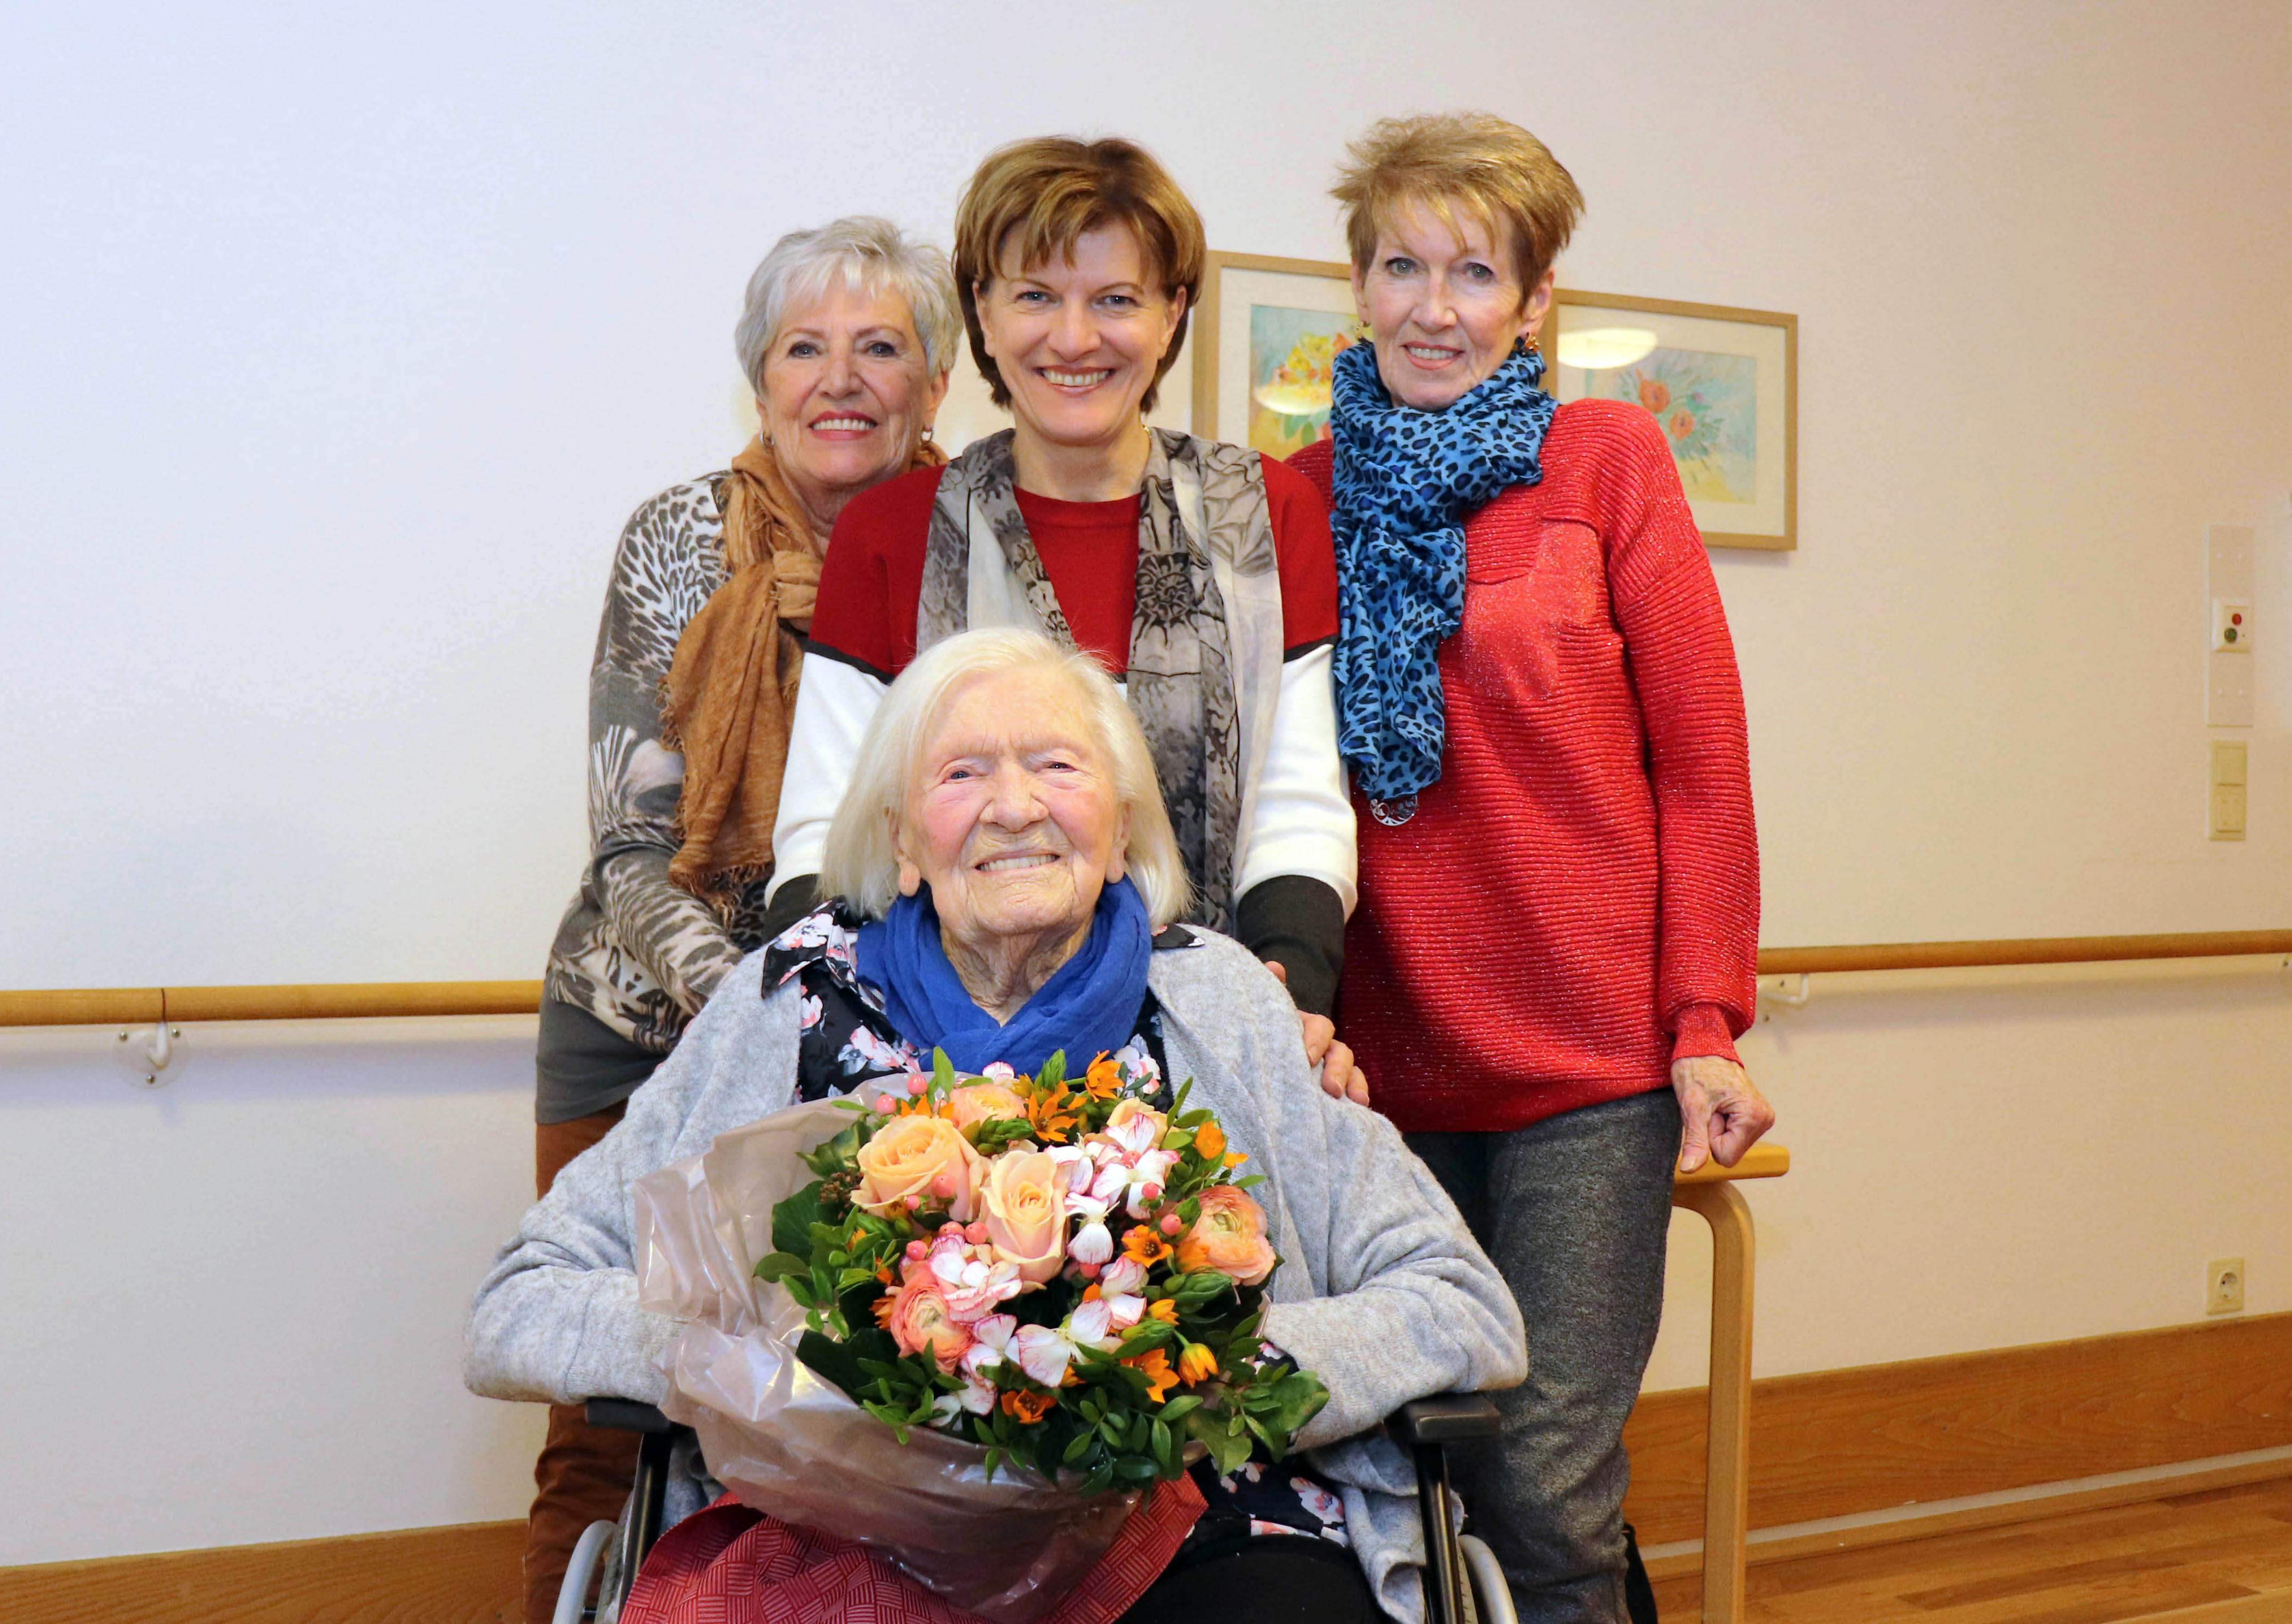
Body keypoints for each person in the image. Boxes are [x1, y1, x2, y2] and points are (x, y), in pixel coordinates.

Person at [468, 629, 1525, 1624]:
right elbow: (522, 1301)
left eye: (1058, 768)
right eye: (962, 773)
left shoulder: (1228, 1007)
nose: (1014, 806)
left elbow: (1461, 1304)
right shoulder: (782, 1006)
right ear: (900, 839)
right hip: (854, 1531)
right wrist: (767, 1368)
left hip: (1206, 1520)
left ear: (1120, 829)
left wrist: (1195, 1362)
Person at [1287, 113, 1775, 1624]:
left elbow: (1698, 763)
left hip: (1586, 1071)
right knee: (1397, 1470)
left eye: (1473, 271)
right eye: (1399, 265)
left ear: (1534, 297)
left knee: (1547, 1481)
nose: (1434, 305)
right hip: (1376, 1073)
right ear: (1356, 286)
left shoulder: (1604, 458)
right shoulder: (1291, 494)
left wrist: (1703, 1018)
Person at [522, 215, 957, 1622]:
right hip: (647, 1036)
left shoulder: (969, 541)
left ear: (932, 380)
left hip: (900, 1053)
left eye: (879, 345)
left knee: (867, 1421)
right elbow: (629, 846)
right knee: (610, 1429)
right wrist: (777, 1007)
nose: (841, 378)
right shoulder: (679, 538)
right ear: (759, 378)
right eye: (803, 347)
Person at [766, 136, 1366, 1100]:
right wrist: (869, 1045)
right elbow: (823, 839)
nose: (1074, 338)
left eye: (1116, 299)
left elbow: (1297, 811)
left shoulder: (1269, 515)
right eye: (1035, 296)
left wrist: (1278, 1004)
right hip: (933, 1058)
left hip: (1213, 1044)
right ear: (984, 317)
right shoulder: (893, 533)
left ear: (1172, 315)